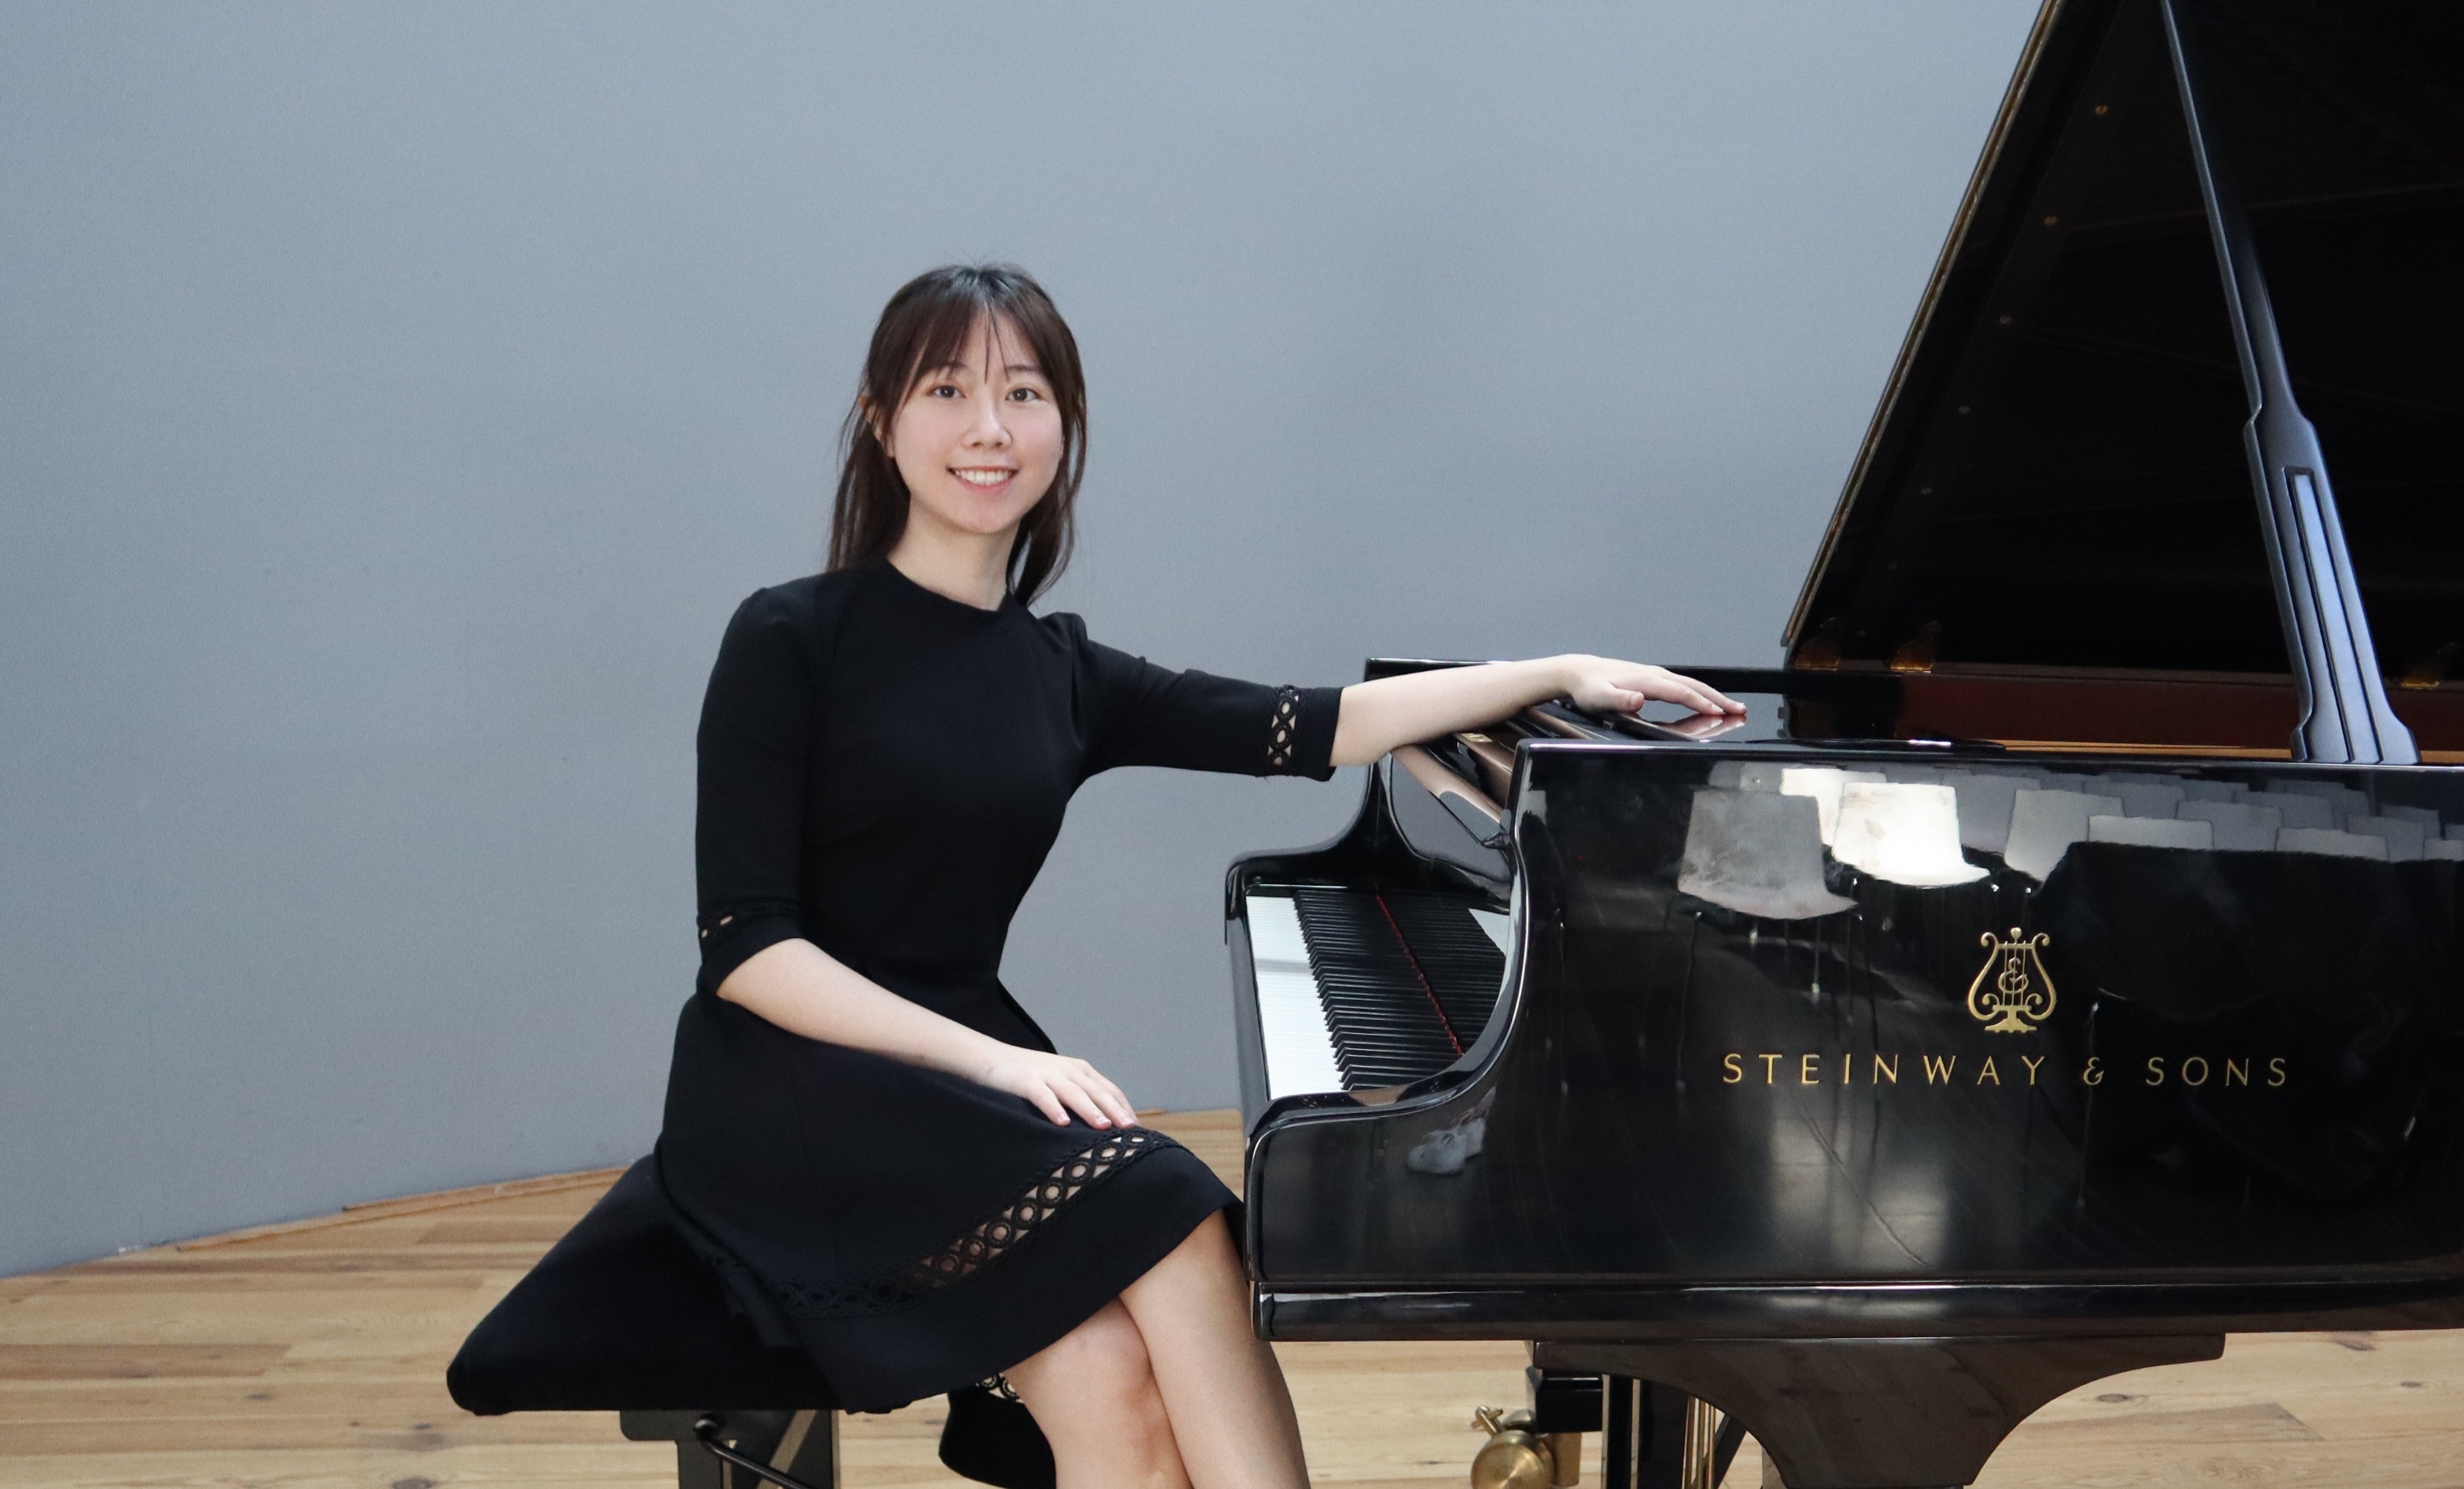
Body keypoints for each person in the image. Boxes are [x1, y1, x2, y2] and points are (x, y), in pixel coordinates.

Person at [659, 262, 1738, 1489]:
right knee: (1167, 1221)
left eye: (1024, 392)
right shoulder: (788, 636)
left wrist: (1558, 666)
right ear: (880, 420)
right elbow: (747, 949)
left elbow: (1317, 721)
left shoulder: (1059, 673)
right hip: (793, 1088)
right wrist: (999, 1061)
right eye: (947, 389)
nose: (989, 429)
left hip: (960, 1084)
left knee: (1137, 1338)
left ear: (1065, 428)